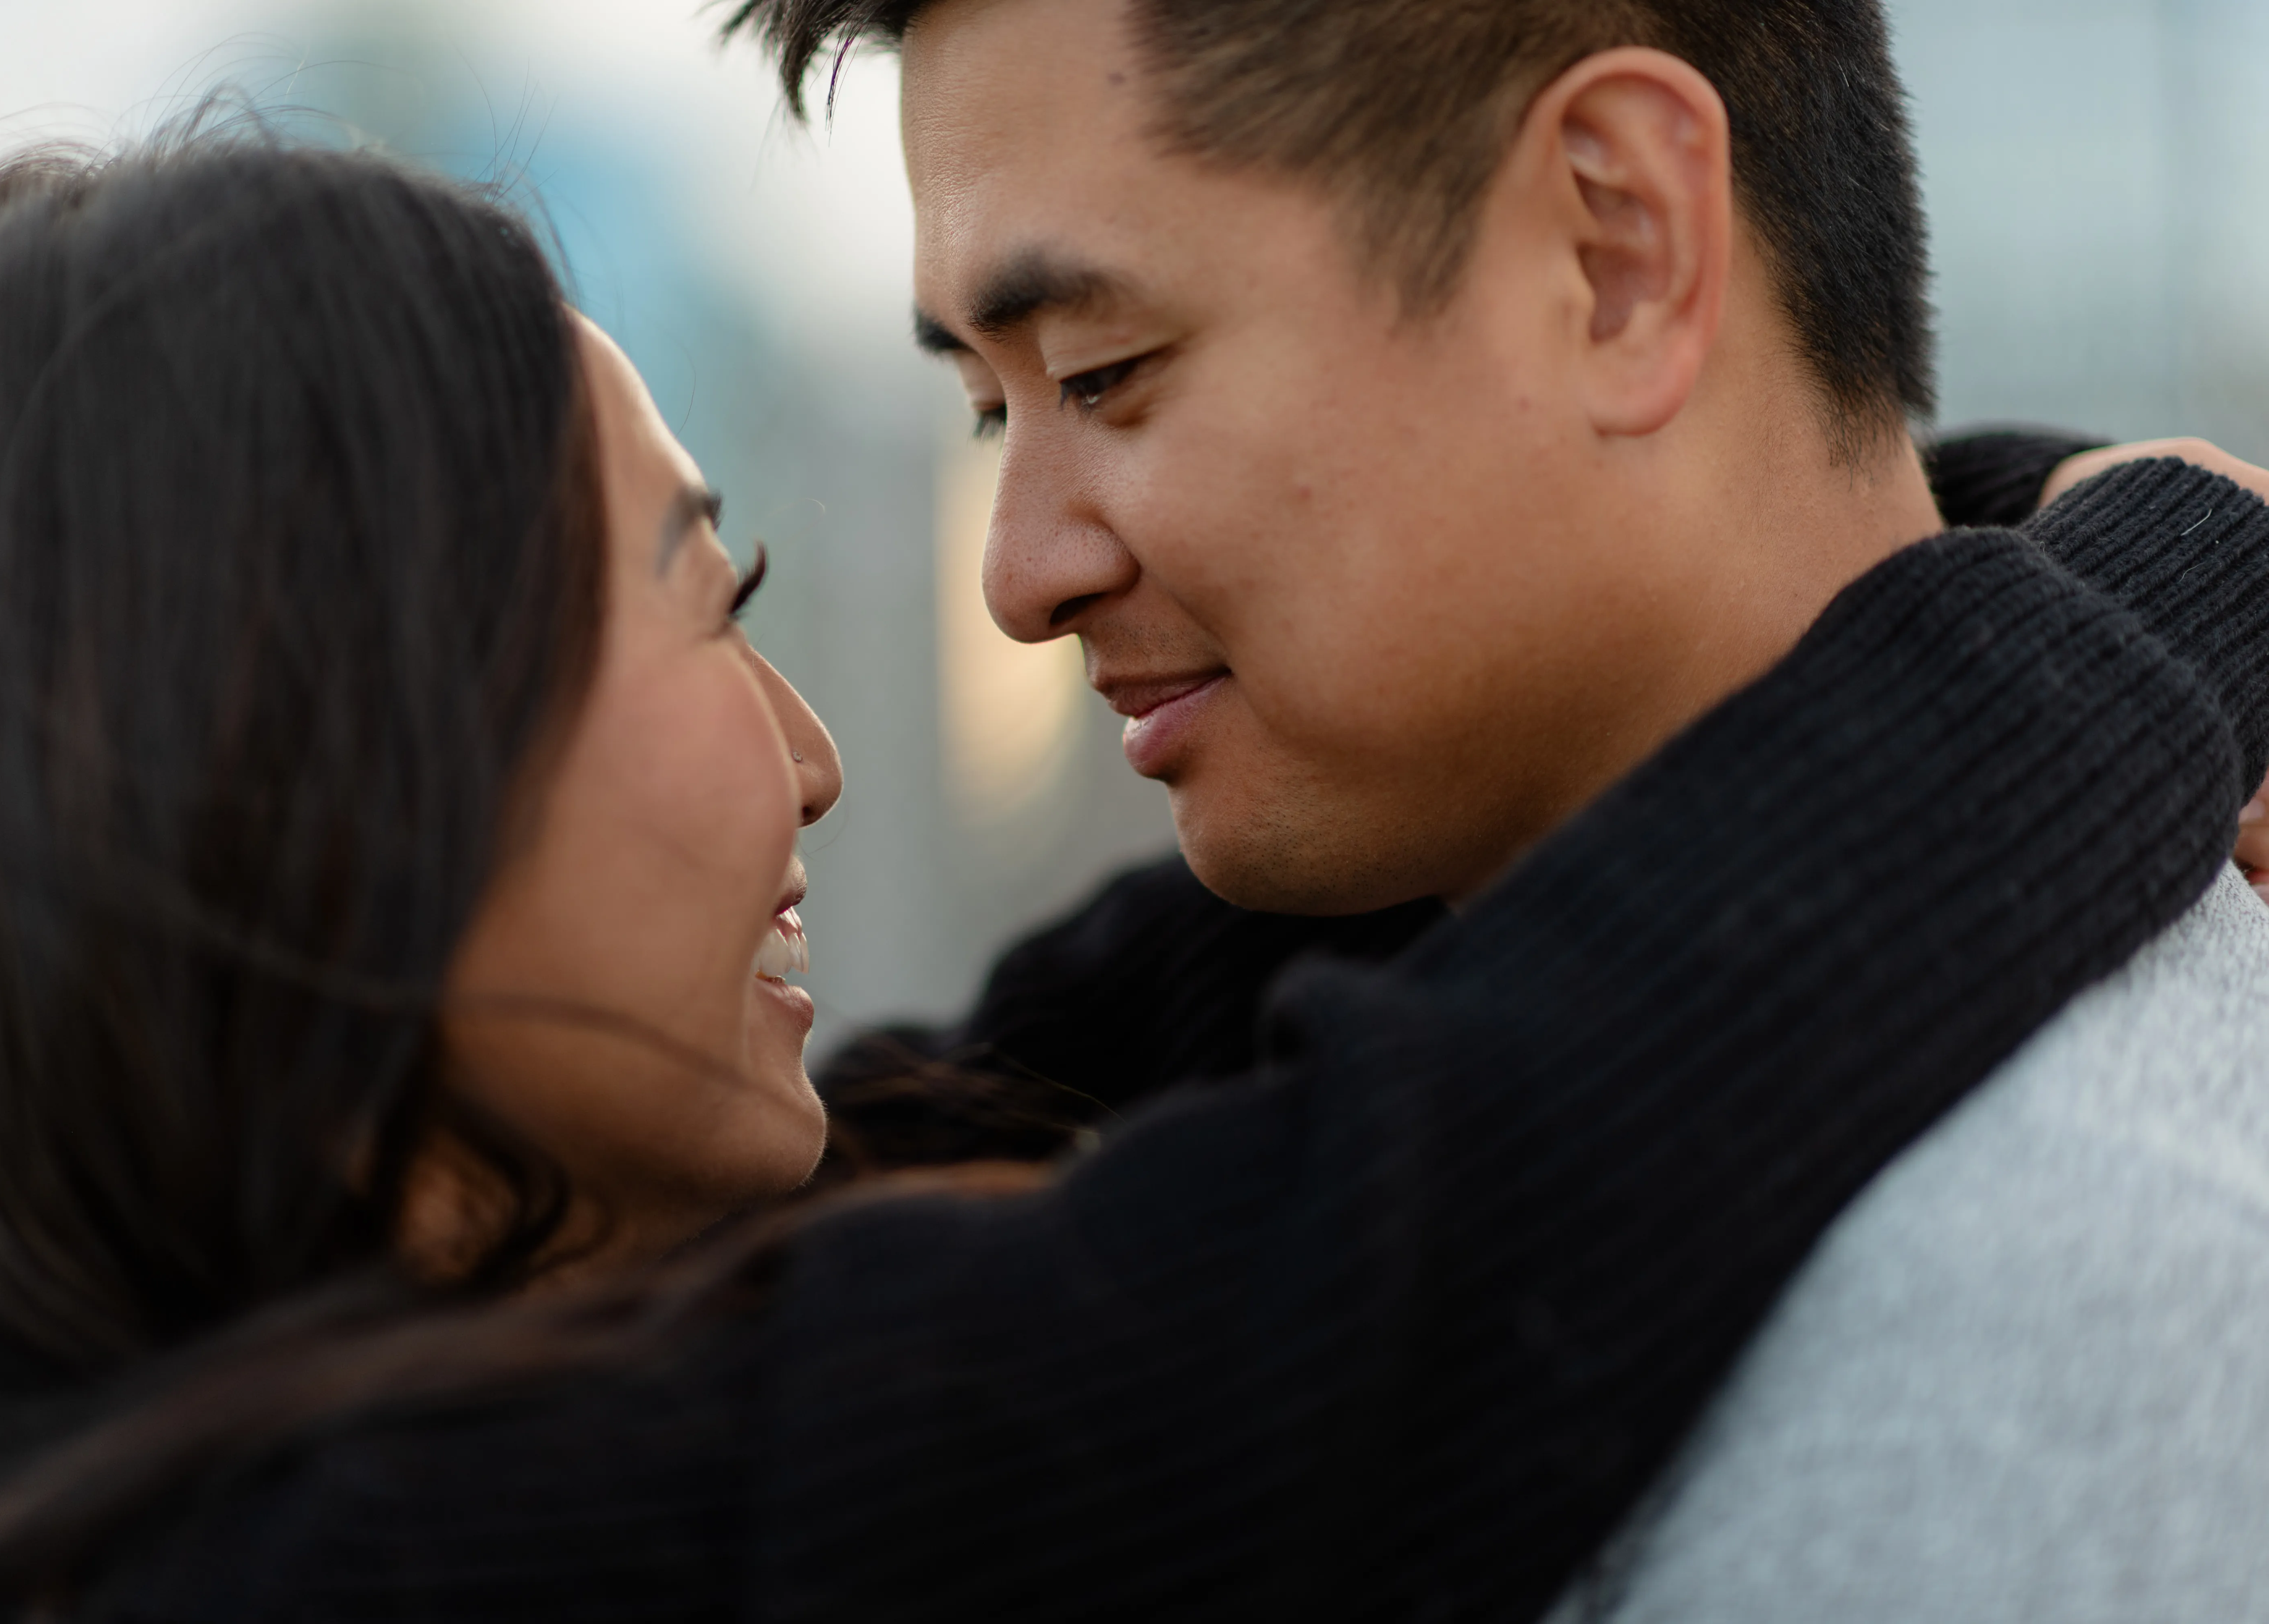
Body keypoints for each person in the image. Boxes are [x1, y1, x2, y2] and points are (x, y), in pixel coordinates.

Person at [0, 125, 2268, 1624]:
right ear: (331, 773)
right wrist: (2175, 596)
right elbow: (1457, 1194)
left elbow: (1168, 1003)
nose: (815, 760)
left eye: (1110, 377)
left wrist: (1967, 535)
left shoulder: (351, 1390)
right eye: (705, 595)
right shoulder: (339, 1575)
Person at [721, 0, 2269, 1612]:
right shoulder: (1314, 1077)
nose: (1018, 578)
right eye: (992, 409)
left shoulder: (2033, 1343)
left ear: (1617, 248)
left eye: (1104, 376)